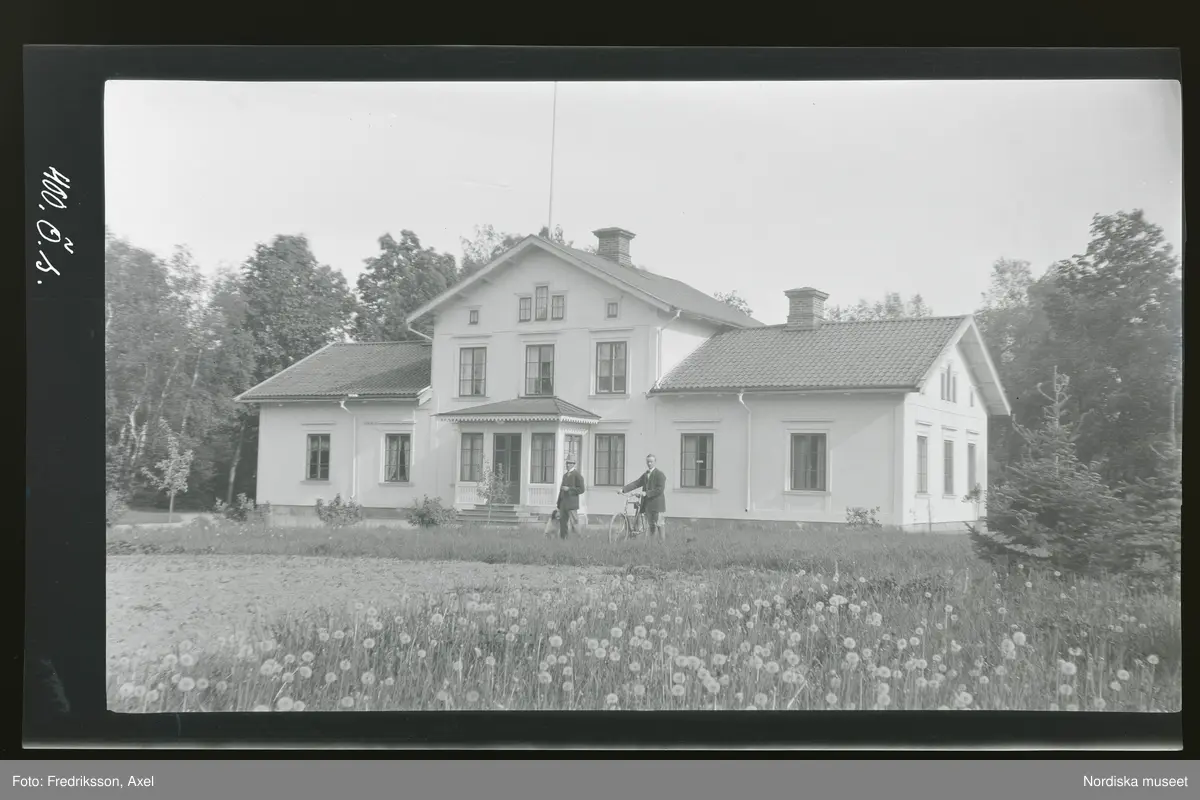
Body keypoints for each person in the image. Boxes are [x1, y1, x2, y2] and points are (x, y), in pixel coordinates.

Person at [620, 453, 666, 538]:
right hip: (648, 504)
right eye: (648, 462)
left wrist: (647, 493)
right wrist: (623, 489)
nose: (649, 463)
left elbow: (660, 489)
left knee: (659, 524)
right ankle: (652, 543)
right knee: (651, 525)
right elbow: (636, 483)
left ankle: (662, 543)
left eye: (651, 461)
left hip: (657, 504)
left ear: (655, 462)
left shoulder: (660, 474)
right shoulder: (645, 475)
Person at [556, 456, 585, 539]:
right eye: (567, 463)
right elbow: (561, 490)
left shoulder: (577, 475)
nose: (567, 465)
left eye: (569, 463)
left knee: (574, 523)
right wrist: (558, 503)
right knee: (563, 523)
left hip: (572, 504)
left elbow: (582, 489)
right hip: (563, 503)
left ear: (573, 464)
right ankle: (563, 539)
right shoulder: (565, 475)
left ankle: (580, 539)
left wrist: (569, 489)